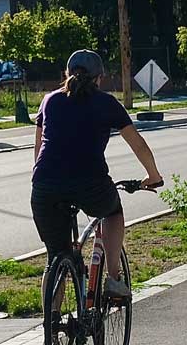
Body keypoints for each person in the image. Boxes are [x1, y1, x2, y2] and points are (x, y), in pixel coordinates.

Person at [30, 49, 162, 303]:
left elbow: (38, 148)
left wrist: (45, 179)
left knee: (55, 257)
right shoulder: (106, 103)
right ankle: (113, 278)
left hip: (45, 186)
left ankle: (51, 331)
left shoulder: (49, 101)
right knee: (113, 212)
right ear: (99, 78)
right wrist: (153, 175)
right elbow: (138, 144)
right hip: (90, 183)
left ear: (67, 74)